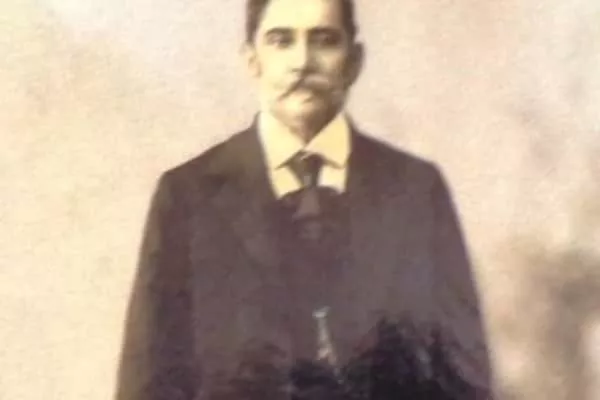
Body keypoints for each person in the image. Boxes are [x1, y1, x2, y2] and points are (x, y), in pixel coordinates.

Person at [115, 0, 494, 399]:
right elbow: (147, 385)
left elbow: (465, 382)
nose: (302, 62)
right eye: (281, 41)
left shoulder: (416, 192)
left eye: (324, 40)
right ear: (252, 61)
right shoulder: (187, 198)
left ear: (354, 61)